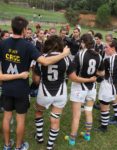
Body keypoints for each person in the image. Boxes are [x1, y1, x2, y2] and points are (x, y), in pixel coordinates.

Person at [0, 16, 70, 150]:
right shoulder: (28, 46)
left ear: (11, 28)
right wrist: (64, 53)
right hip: (21, 88)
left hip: (7, 87)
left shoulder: (2, 44)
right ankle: (19, 147)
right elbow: (45, 61)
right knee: (20, 119)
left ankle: (7, 145)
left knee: (7, 118)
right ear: (25, 30)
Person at [33, 35, 96, 150]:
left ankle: (40, 137)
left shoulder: (42, 58)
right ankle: (50, 145)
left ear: (48, 44)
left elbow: (36, 80)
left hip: (44, 92)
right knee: (55, 119)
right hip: (60, 93)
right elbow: (72, 76)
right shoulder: (66, 59)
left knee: (38, 112)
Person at [65, 34, 104, 146]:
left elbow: (72, 77)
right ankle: (87, 134)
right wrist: (93, 76)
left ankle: (72, 139)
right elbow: (101, 73)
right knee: (88, 111)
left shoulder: (80, 54)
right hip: (92, 88)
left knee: (76, 115)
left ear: (83, 43)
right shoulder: (99, 56)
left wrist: (87, 79)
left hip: (79, 87)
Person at [97, 40, 117, 132]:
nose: (105, 49)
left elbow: (101, 73)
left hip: (109, 86)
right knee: (106, 104)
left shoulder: (108, 60)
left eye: (106, 47)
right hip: (116, 85)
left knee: (104, 106)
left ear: (113, 48)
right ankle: (107, 120)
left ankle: (104, 127)